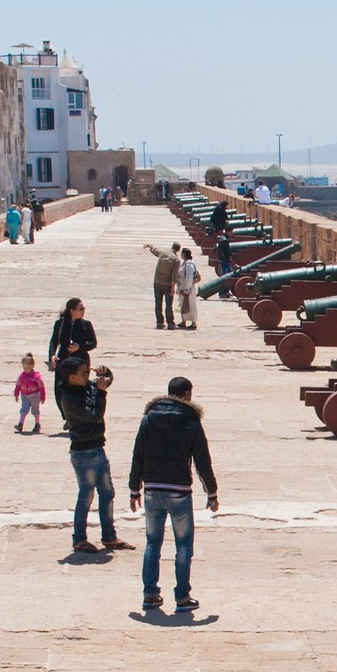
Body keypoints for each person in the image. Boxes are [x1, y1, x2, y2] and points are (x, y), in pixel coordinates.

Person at [128, 375, 218, 611]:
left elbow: (138, 454)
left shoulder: (148, 419)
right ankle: (182, 597)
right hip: (178, 491)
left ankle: (150, 595)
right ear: (187, 394)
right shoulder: (191, 421)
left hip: (152, 490)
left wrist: (133, 489)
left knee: (152, 543)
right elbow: (202, 462)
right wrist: (212, 493)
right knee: (184, 546)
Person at [61, 359, 130, 554]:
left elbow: (107, 381)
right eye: (83, 373)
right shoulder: (69, 398)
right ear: (71, 377)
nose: (87, 375)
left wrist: (105, 372)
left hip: (98, 449)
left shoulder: (88, 387)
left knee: (107, 493)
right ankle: (79, 539)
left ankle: (109, 536)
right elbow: (94, 417)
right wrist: (101, 392)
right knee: (86, 496)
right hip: (83, 453)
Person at [48, 298, 96, 403]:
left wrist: (80, 347)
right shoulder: (60, 324)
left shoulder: (86, 324)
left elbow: (93, 343)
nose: (83, 311)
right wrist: (52, 355)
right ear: (72, 310)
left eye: (83, 308)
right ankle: (66, 416)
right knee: (59, 390)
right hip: (63, 361)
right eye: (81, 309)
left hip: (80, 362)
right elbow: (54, 341)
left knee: (80, 389)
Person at [146, 243, 180, 329]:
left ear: (171, 247)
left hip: (157, 282)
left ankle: (159, 322)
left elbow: (155, 250)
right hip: (167, 284)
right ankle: (170, 323)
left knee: (158, 303)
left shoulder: (163, 253)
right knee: (168, 304)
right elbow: (174, 277)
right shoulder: (176, 260)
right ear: (178, 250)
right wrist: (173, 289)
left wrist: (150, 246)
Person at [14, 353, 47, 433]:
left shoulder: (36, 376)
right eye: (24, 367)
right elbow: (18, 384)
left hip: (35, 396)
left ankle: (37, 424)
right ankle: (20, 424)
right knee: (24, 409)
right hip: (25, 395)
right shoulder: (22, 376)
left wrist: (42, 396)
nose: (25, 369)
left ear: (32, 366)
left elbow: (41, 387)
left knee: (35, 410)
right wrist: (16, 394)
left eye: (27, 368)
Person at [175, 247, 200, 329]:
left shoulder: (189, 264)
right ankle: (183, 320)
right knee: (183, 305)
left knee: (191, 305)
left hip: (187, 289)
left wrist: (186, 288)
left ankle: (193, 322)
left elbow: (189, 278)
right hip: (182, 288)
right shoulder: (185, 263)